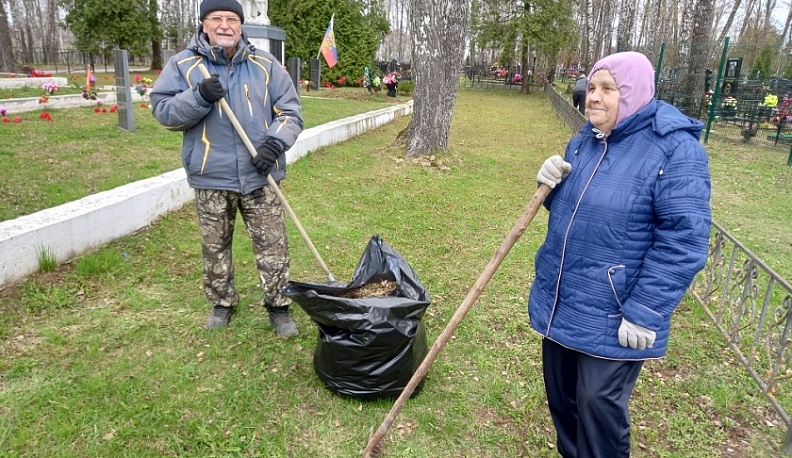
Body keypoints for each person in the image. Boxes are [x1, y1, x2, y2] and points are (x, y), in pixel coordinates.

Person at [530, 51, 711, 457]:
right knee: (563, 399)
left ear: (634, 93)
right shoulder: (584, 142)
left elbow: (685, 238)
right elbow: (575, 211)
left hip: (617, 308)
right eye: (591, 88)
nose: (593, 97)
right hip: (565, 297)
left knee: (597, 405)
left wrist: (646, 309)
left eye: (608, 89)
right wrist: (551, 187)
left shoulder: (675, 151)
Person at [150, 0, 304, 337]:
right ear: (203, 24)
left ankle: (278, 305)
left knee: (273, 243)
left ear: (241, 24)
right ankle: (222, 302)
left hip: (260, 174)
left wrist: (274, 144)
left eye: (231, 19)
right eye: (216, 18)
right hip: (211, 174)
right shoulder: (184, 66)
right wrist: (199, 96)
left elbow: (291, 113)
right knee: (215, 244)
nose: (224, 25)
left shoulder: (265, 64)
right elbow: (163, 112)